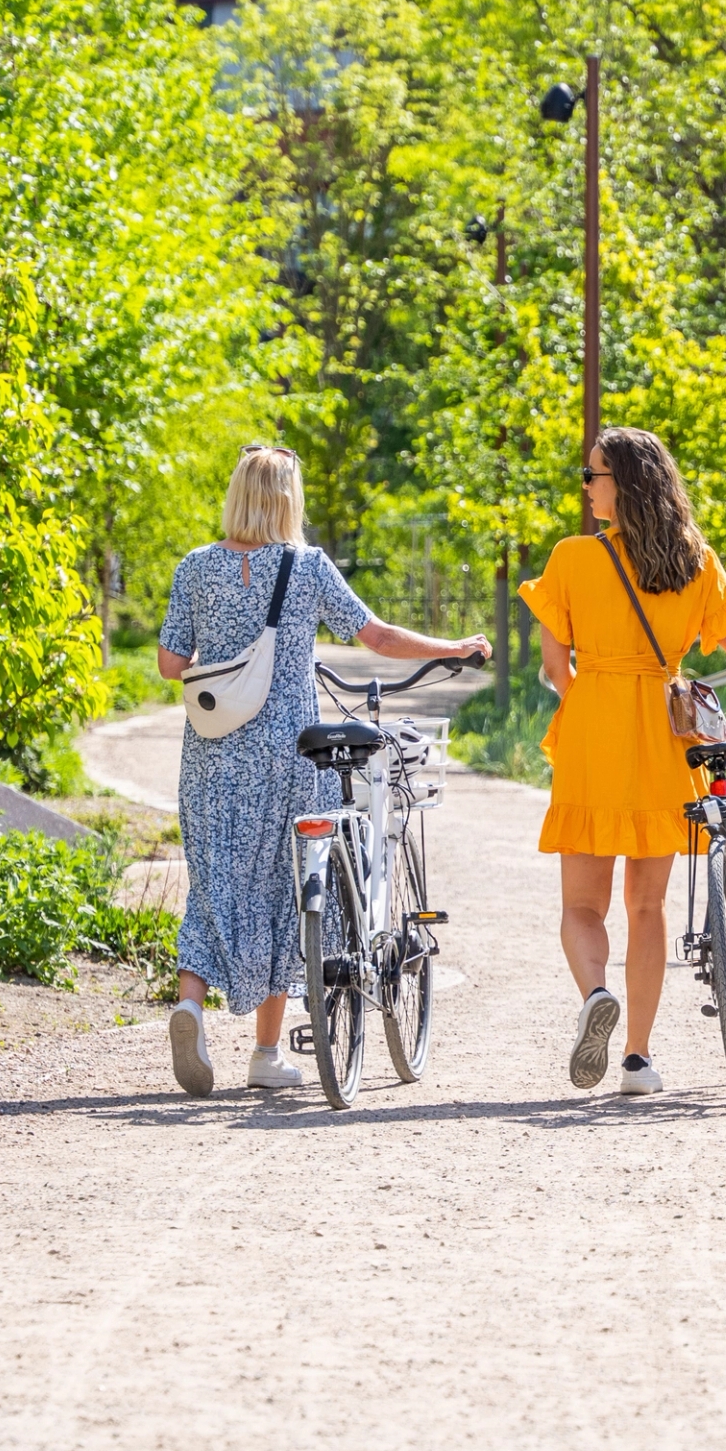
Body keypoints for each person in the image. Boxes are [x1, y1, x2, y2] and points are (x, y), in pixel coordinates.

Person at [518, 426, 726, 1095]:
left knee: (583, 905)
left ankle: (594, 993)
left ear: (625, 484)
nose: (586, 487)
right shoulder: (694, 562)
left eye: (593, 476)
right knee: (648, 907)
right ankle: (639, 1060)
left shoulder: (571, 559)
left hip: (591, 732)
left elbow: (556, 665)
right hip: (660, 733)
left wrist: (591, 702)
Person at [157, 445, 486, 1096]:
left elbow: (171, 664)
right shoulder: (306, 567)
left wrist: (224, 650)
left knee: (213, 885)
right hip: (288, 754)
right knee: (286, 891)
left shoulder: (196, 567)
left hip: (213, 761)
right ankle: (266, 1052)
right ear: (288, 501)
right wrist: (455, 647)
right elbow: (377, 637)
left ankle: (190, 1006)